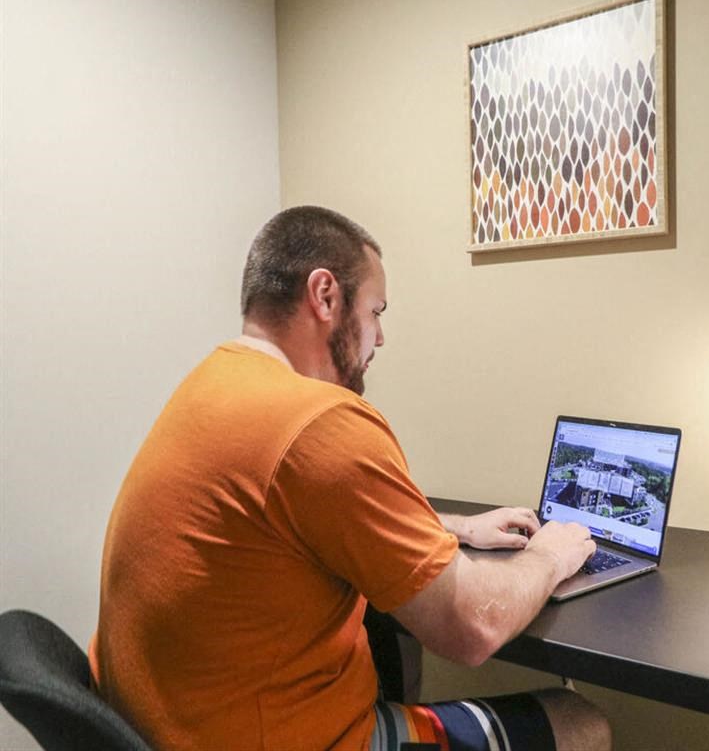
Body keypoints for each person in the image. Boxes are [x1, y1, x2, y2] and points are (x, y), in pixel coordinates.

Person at [90, 206, 612, 751]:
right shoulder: (320, 421)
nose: (380, 337)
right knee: (581, 721)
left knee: (393, 655)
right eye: (376, 311)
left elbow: (285, 520)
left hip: (171, 726)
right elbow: (472, 628)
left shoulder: (211, 386)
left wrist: (454, 527)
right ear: (325, 296)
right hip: (287, 740)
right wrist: (550, 555)